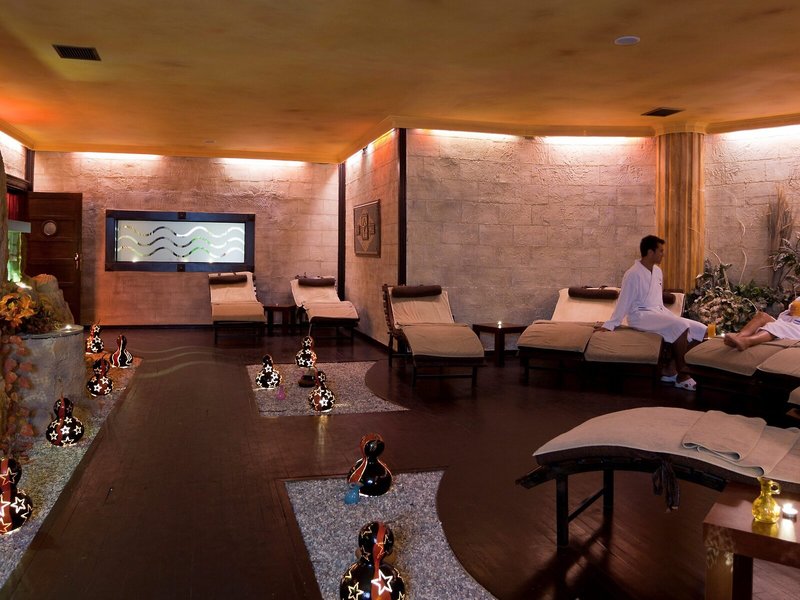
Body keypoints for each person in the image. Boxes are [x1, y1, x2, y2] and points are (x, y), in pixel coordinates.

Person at [598, 235, 707, 390]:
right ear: (650, 252)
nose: (663, 254)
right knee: (681, 325)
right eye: (660, 251)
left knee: (701, 329)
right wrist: (610, 324)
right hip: (640, 315)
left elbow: (657, 300)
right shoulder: (633, 274)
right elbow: (624, 301)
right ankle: (683, 376)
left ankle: (670, 370)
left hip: (658, 312)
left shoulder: (657, 271)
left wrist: (667, 316)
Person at [724, 298, 800, 351]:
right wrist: (790, 313)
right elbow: (784, 318)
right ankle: (738, 338)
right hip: (790, 324)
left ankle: (747, 341)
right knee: (762, 316)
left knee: (776, 326)